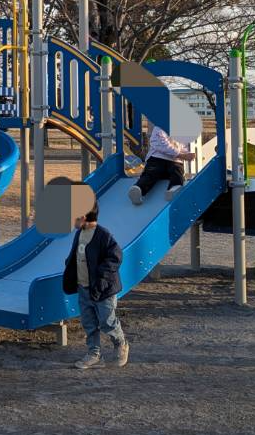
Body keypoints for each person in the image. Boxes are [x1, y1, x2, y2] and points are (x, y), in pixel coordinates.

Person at [62, 201, 128, 369]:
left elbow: (116, 257)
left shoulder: (102, 235)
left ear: (83, 217)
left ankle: (121, 343)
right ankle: (94, 353)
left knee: (107, 321)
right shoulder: (80, 234)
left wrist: (101, 277)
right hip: (84, 288)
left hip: (103, 290)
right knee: (89, 322)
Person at [128, 124, 196, 205]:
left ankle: (139, 188)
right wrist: (181, 155)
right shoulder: (161, 127)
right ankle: (173, 188)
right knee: (175, 173)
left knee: (151, 174)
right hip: (165, 159)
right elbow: (162, 144)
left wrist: (187, 154)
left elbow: (181, 147)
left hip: (161, 159)